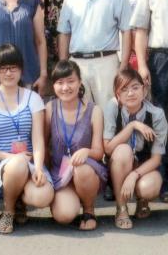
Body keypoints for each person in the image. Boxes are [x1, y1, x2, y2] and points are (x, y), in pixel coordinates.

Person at [0, 44, 53, 234]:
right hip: (2, 166)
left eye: (13, 68)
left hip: (30, 163)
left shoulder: (33, 98)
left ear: (21, 70)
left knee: (42, 197)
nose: (8, 73)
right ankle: (8, 210)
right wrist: (11, 157)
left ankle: (18, 200)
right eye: (3, 69)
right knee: (17, 164)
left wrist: (39, 167)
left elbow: (38, 140)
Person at [58, 0, 133, 109]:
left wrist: (123, 65)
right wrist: (64, 65)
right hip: (77, 63)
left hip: (106, 62)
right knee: (80, 113)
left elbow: (126, 30)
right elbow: (64, 32)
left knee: (109, 111)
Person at [46, 60, 107, 231]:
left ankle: (88, 210)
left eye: (71, 81)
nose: (65, 87)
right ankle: (64, 198)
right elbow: (43, 145)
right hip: (60, 173)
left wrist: (86, 151)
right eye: (60, 82)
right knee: (64, 216)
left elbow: (99, 151)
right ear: (54, 85)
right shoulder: (50, 108)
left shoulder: (94, 111)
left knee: (82, 169)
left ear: (80, 82)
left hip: (87, 171)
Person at [103, 69, 167, 230]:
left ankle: (142, 200)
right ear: (117, 94)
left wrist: (134, 175)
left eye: (135, 87)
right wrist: (132, 125)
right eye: (124, 89)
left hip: (143, 168)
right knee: (123, 150)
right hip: (117, 167)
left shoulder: (156, 114)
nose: (130, 93)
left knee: (149, 187)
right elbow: (108, 148)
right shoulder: (112, 107)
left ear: (144, 90)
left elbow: (156, 159)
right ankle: (121, 208)